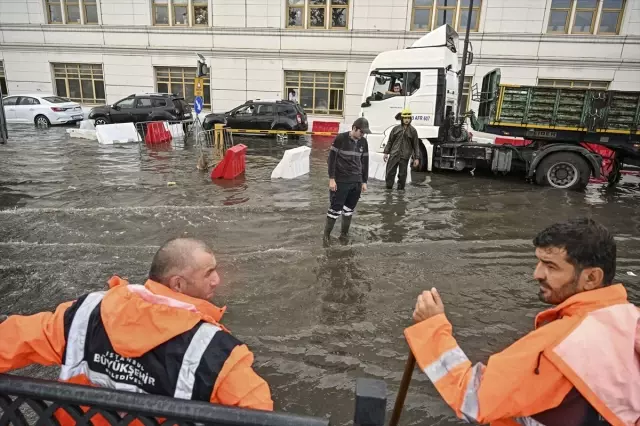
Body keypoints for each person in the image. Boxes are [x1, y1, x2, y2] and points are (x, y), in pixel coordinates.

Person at [0, 237, 273, 418]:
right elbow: (259, 415)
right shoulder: (217, 353)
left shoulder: (86, 314)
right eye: (208, 273)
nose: (217, 280)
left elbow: (14, 338)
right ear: (177, 284)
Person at [405, 218, 639, 426]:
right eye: (539, 262)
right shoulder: (630, 319)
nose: (536, 274)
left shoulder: (561, 344)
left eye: (551, 266)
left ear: (591, 278)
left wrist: (432, 328)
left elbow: (472, 399)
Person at [325, 117, 370, 245]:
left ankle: (344, 235)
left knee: (349, 209)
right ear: (354, 128)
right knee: (335, 209)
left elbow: (365, 162)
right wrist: (332, 179)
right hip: (341, 180)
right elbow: (331, 160)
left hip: (356, 181)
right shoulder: (340, 139)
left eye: (364, 133)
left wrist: (364, 181)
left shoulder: (364, 142)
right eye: (361, 132)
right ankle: (326, 237)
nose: (363, 135)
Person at [384, 108, 420, 190]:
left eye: (408, 118)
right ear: (402, 118)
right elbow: (390, 141)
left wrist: (416, 158)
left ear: (410, 119)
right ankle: (388, 191)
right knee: (389, 173)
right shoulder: (395, 129)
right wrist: (386, 152)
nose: (407, 120)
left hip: (404, 156)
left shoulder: (413, 131)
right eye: (405, 118)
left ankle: (400, 193)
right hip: (394, 155)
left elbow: (416, 145)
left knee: (402, 175)